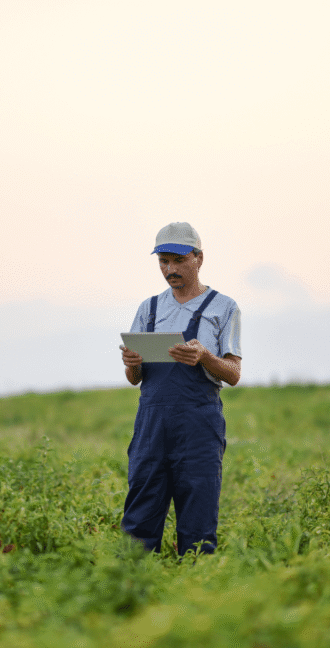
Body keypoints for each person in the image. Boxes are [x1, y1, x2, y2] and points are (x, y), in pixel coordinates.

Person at [119, 221, 242, 556]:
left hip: (198, 427)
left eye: (177, 260)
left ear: (198, 258)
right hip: (151, 426)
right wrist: (132, 363)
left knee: (198, 524)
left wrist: (204, 356)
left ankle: (197, 597)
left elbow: (233, 373)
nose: (169, 269)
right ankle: (132, 592)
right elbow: (135, 379)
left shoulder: (223, 307)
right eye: (163, 262)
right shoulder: (150, 309)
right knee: (140, 519)